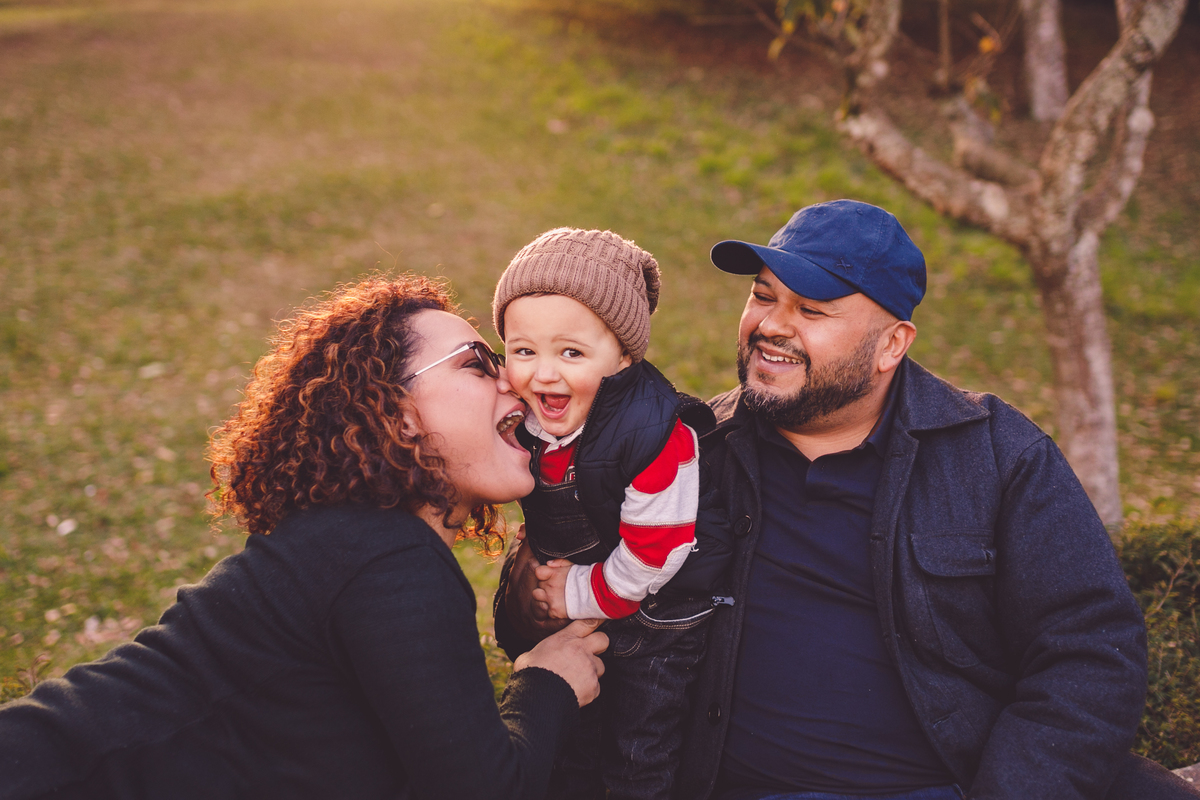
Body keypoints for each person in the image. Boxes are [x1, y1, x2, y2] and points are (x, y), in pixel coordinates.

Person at [500, 201, 1200, 799]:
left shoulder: (994, 457)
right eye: (764, 296)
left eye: (812, 309)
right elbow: (539, 601)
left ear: (892, 343)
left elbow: (1089, 653)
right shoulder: (687, 451)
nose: (772, 325)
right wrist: (531, 595)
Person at [0, 274, 608, 800]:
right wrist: (547, 682)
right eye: (479, 364)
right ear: (395, 410)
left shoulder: (354, 546)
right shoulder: (388, 557)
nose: (517, 384)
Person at [491, 228, 729, 800]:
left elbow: (658, 552)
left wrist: (576, 594)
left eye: (571, 352)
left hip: (662, 609)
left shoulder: (655, 436)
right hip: (589, 584)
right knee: (575, 733)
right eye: (523, 351)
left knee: (637, 747)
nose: (543, 373)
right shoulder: (535, 414)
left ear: (623, 355)